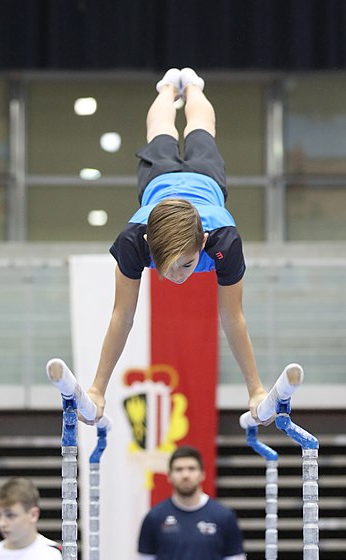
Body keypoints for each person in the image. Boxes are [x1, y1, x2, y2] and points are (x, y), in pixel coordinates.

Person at [84, 67, 267, 426]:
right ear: (149, 243)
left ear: (203, 241)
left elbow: (233, 318)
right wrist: (97, 389)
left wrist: (256, 390)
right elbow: (123, 316)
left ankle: (192, 86)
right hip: (161, 183)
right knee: (165, 131)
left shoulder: (225, 243)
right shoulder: (133, 241)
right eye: (164, 266)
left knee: (198, 131)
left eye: (185, 264)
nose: (175, 276)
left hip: (203, 183)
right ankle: (169, 87)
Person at [137, 445, 247, 560]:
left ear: (202, 474)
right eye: (179, 469)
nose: (185, 475)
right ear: (169, 475)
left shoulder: (223, 516)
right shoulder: (155, 517)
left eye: (191, 468)